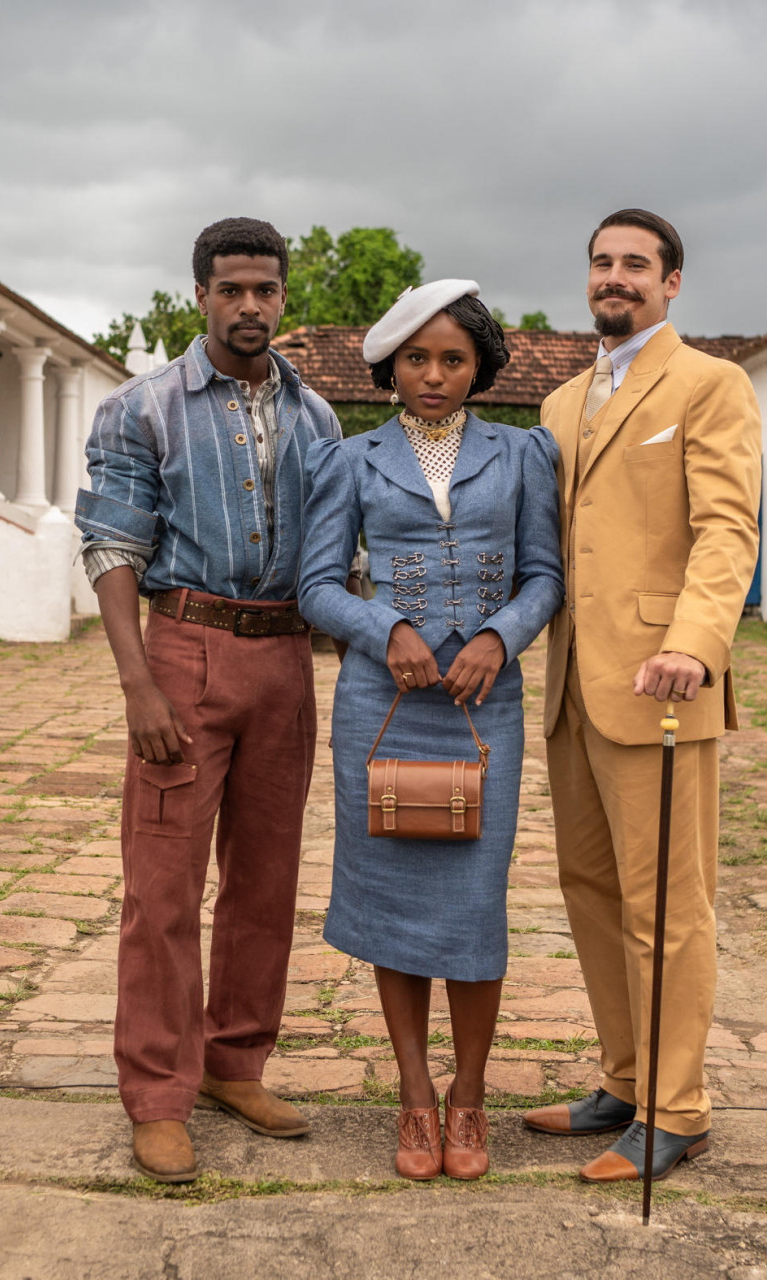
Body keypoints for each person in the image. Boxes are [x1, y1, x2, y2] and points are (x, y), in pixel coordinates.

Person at [76, 217, 343, 1184]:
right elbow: (110, 545)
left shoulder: (316, 419)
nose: (249, 307)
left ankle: (236, 1063)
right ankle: (156, 1094)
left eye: (264, 290)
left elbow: (336, 552)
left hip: (284, 661)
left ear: (282, 297)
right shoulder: (142, 410)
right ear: (200, 295)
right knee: (161, 889)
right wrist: (138, 682)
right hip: (183, 654)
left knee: (266, 883)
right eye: (230, 290)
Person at [297, 280, 563, 1181]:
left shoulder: (525, 455)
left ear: (480, 365)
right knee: (393, 905)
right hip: (384, 710)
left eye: (453, 358)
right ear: (389, 367)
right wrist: (386, 629)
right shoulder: (350, 458)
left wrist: (498, 635)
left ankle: (471, 1096)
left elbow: (545, 577)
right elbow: (319, 587)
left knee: (473, 906)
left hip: (485, 710)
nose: (435, 375)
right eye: (417, 358)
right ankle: (414, 1098)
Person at [519, 211, 761, 1182]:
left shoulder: (711, 385)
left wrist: (695, 643)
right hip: (577, 683)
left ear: (671, 283)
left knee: (669, 902)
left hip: (664, 680)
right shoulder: (561, 403)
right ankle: (624, 1078)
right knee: (590, 890)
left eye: (635, 264)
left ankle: (680, 1107)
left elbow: (727, 527)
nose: (614, 277)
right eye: (601, 262)